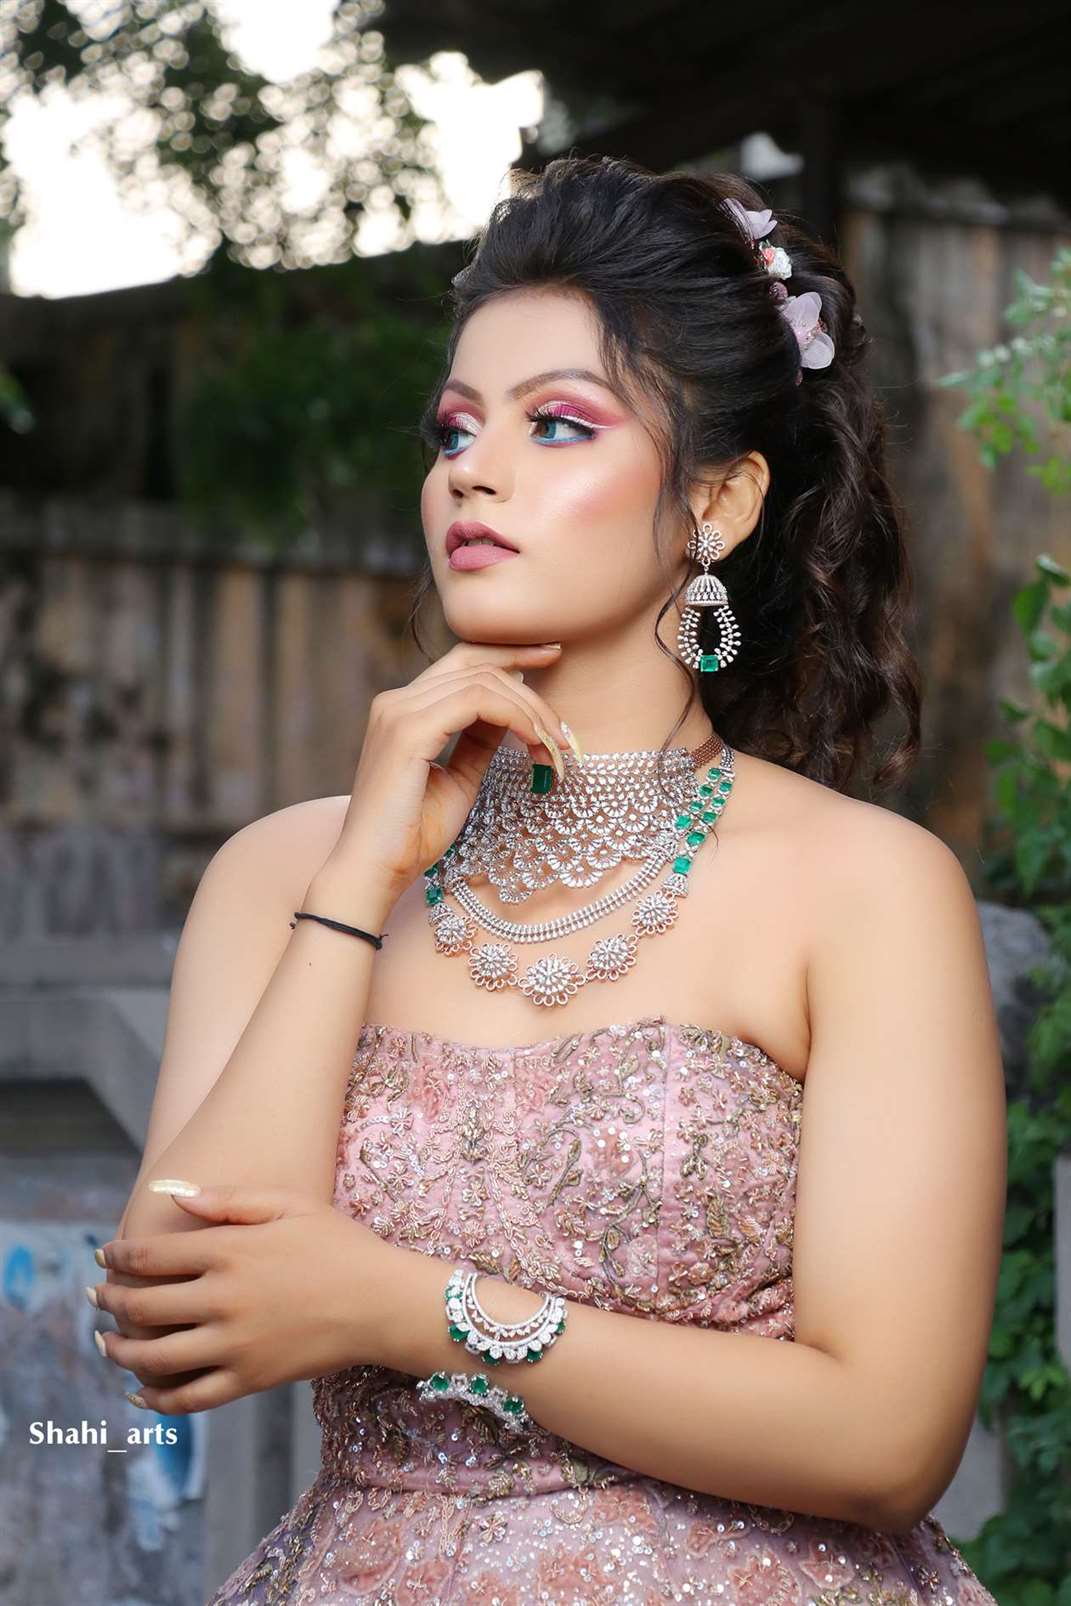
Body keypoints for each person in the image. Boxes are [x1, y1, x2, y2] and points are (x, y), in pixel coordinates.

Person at [89, 155, 1007, 1604]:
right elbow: (172, 1318)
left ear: (718, 501)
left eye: (558, 423)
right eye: (454, 427)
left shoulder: (866, 889)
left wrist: (418, 1308)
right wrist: (363, 873)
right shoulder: (286, 871)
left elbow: (887, 1437)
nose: (472, 468)